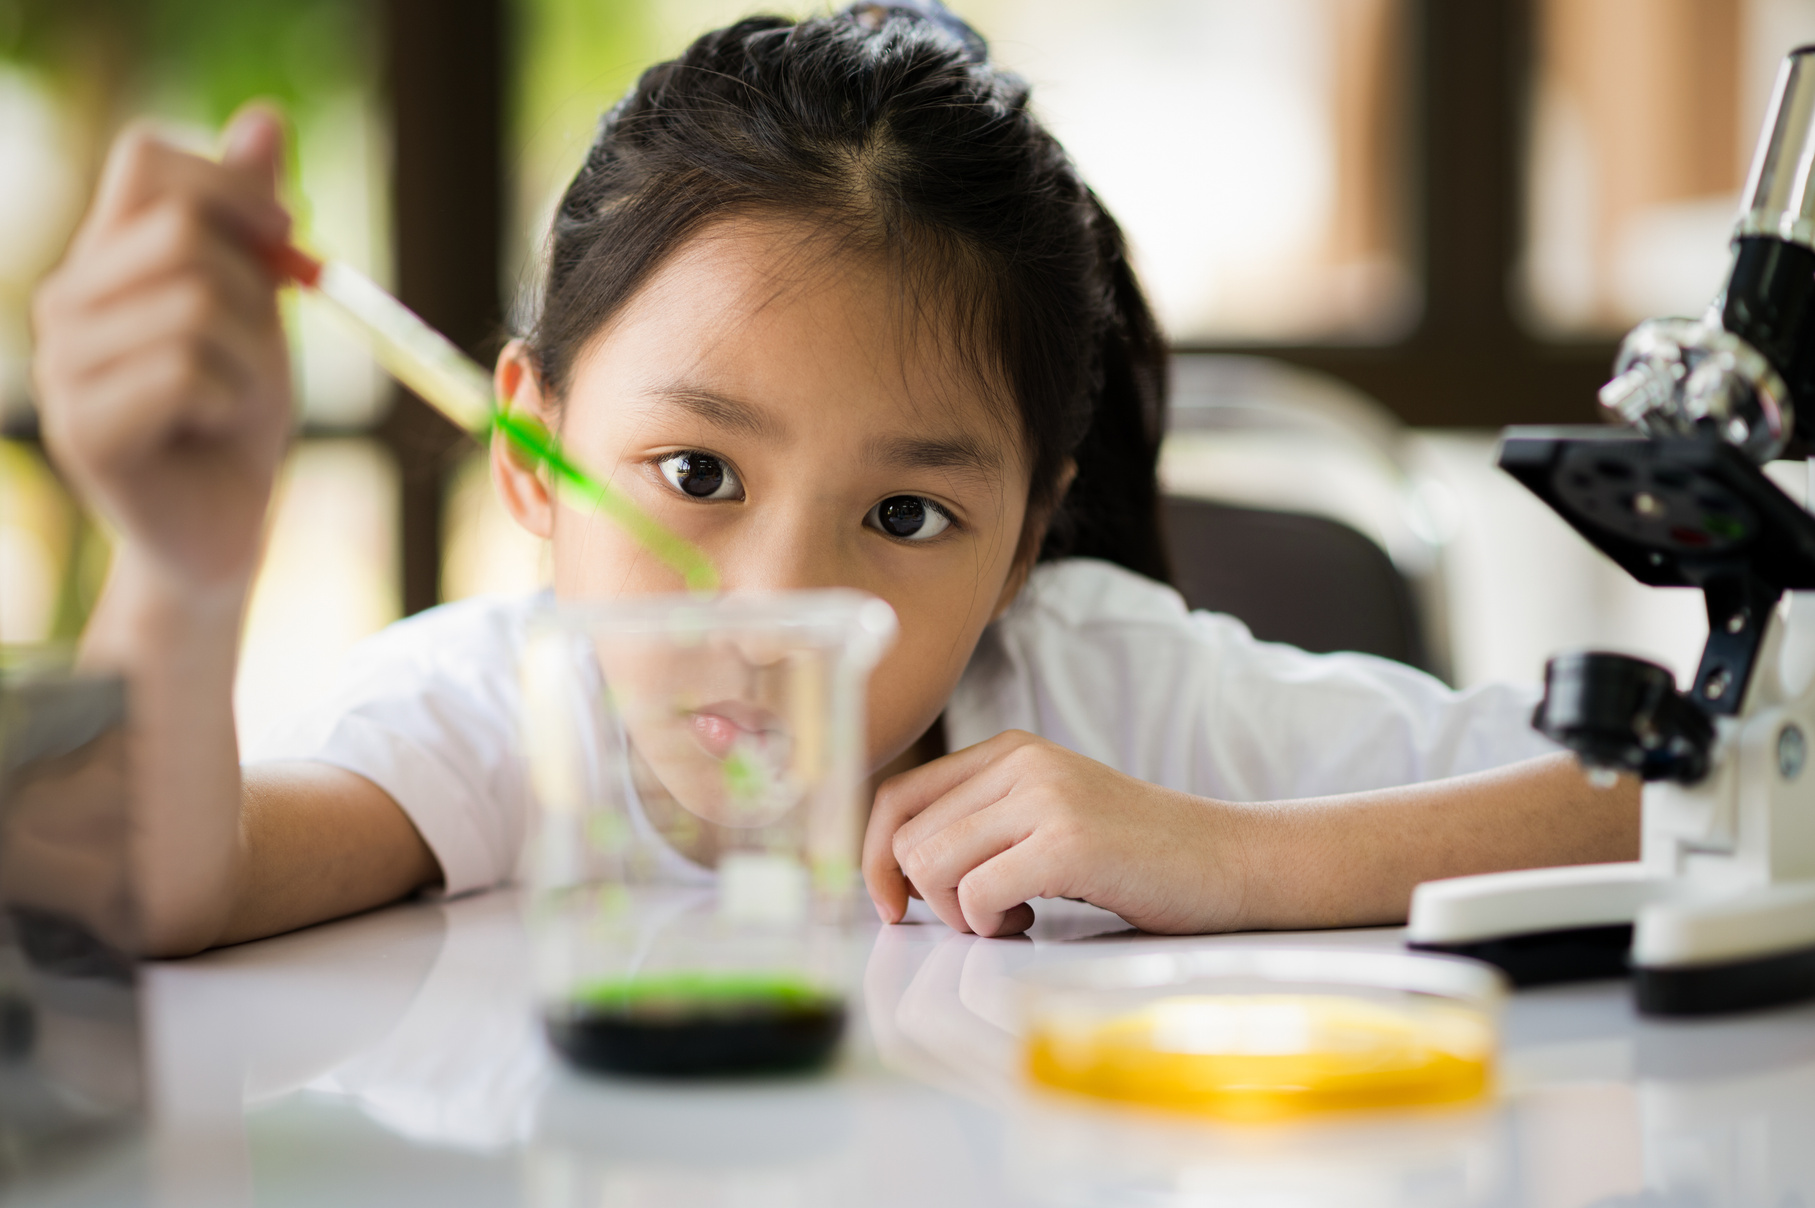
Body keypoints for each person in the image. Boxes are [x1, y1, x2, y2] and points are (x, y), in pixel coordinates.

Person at [31, 2, 1635, 957]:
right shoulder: (501, 716)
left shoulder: (1102, 693)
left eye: (909, 515)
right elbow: (146, 893)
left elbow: (1704, 804)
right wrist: (178, 570)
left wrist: (1227, 854)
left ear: (1020, 542)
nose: (778, 604)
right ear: (528, 448)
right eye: (697, 472)